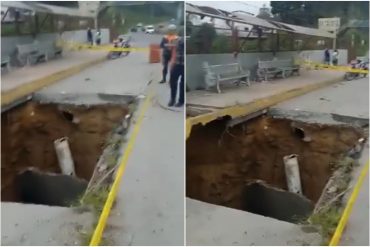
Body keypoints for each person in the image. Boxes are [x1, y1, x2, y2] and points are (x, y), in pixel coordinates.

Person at [168, 36, 184, 107]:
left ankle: (181, 100)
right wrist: (172, 64)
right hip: (177, 64)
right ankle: (173, 99)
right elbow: (173, 52)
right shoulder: (176, 40)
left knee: (182, 84)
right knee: (173, 82)